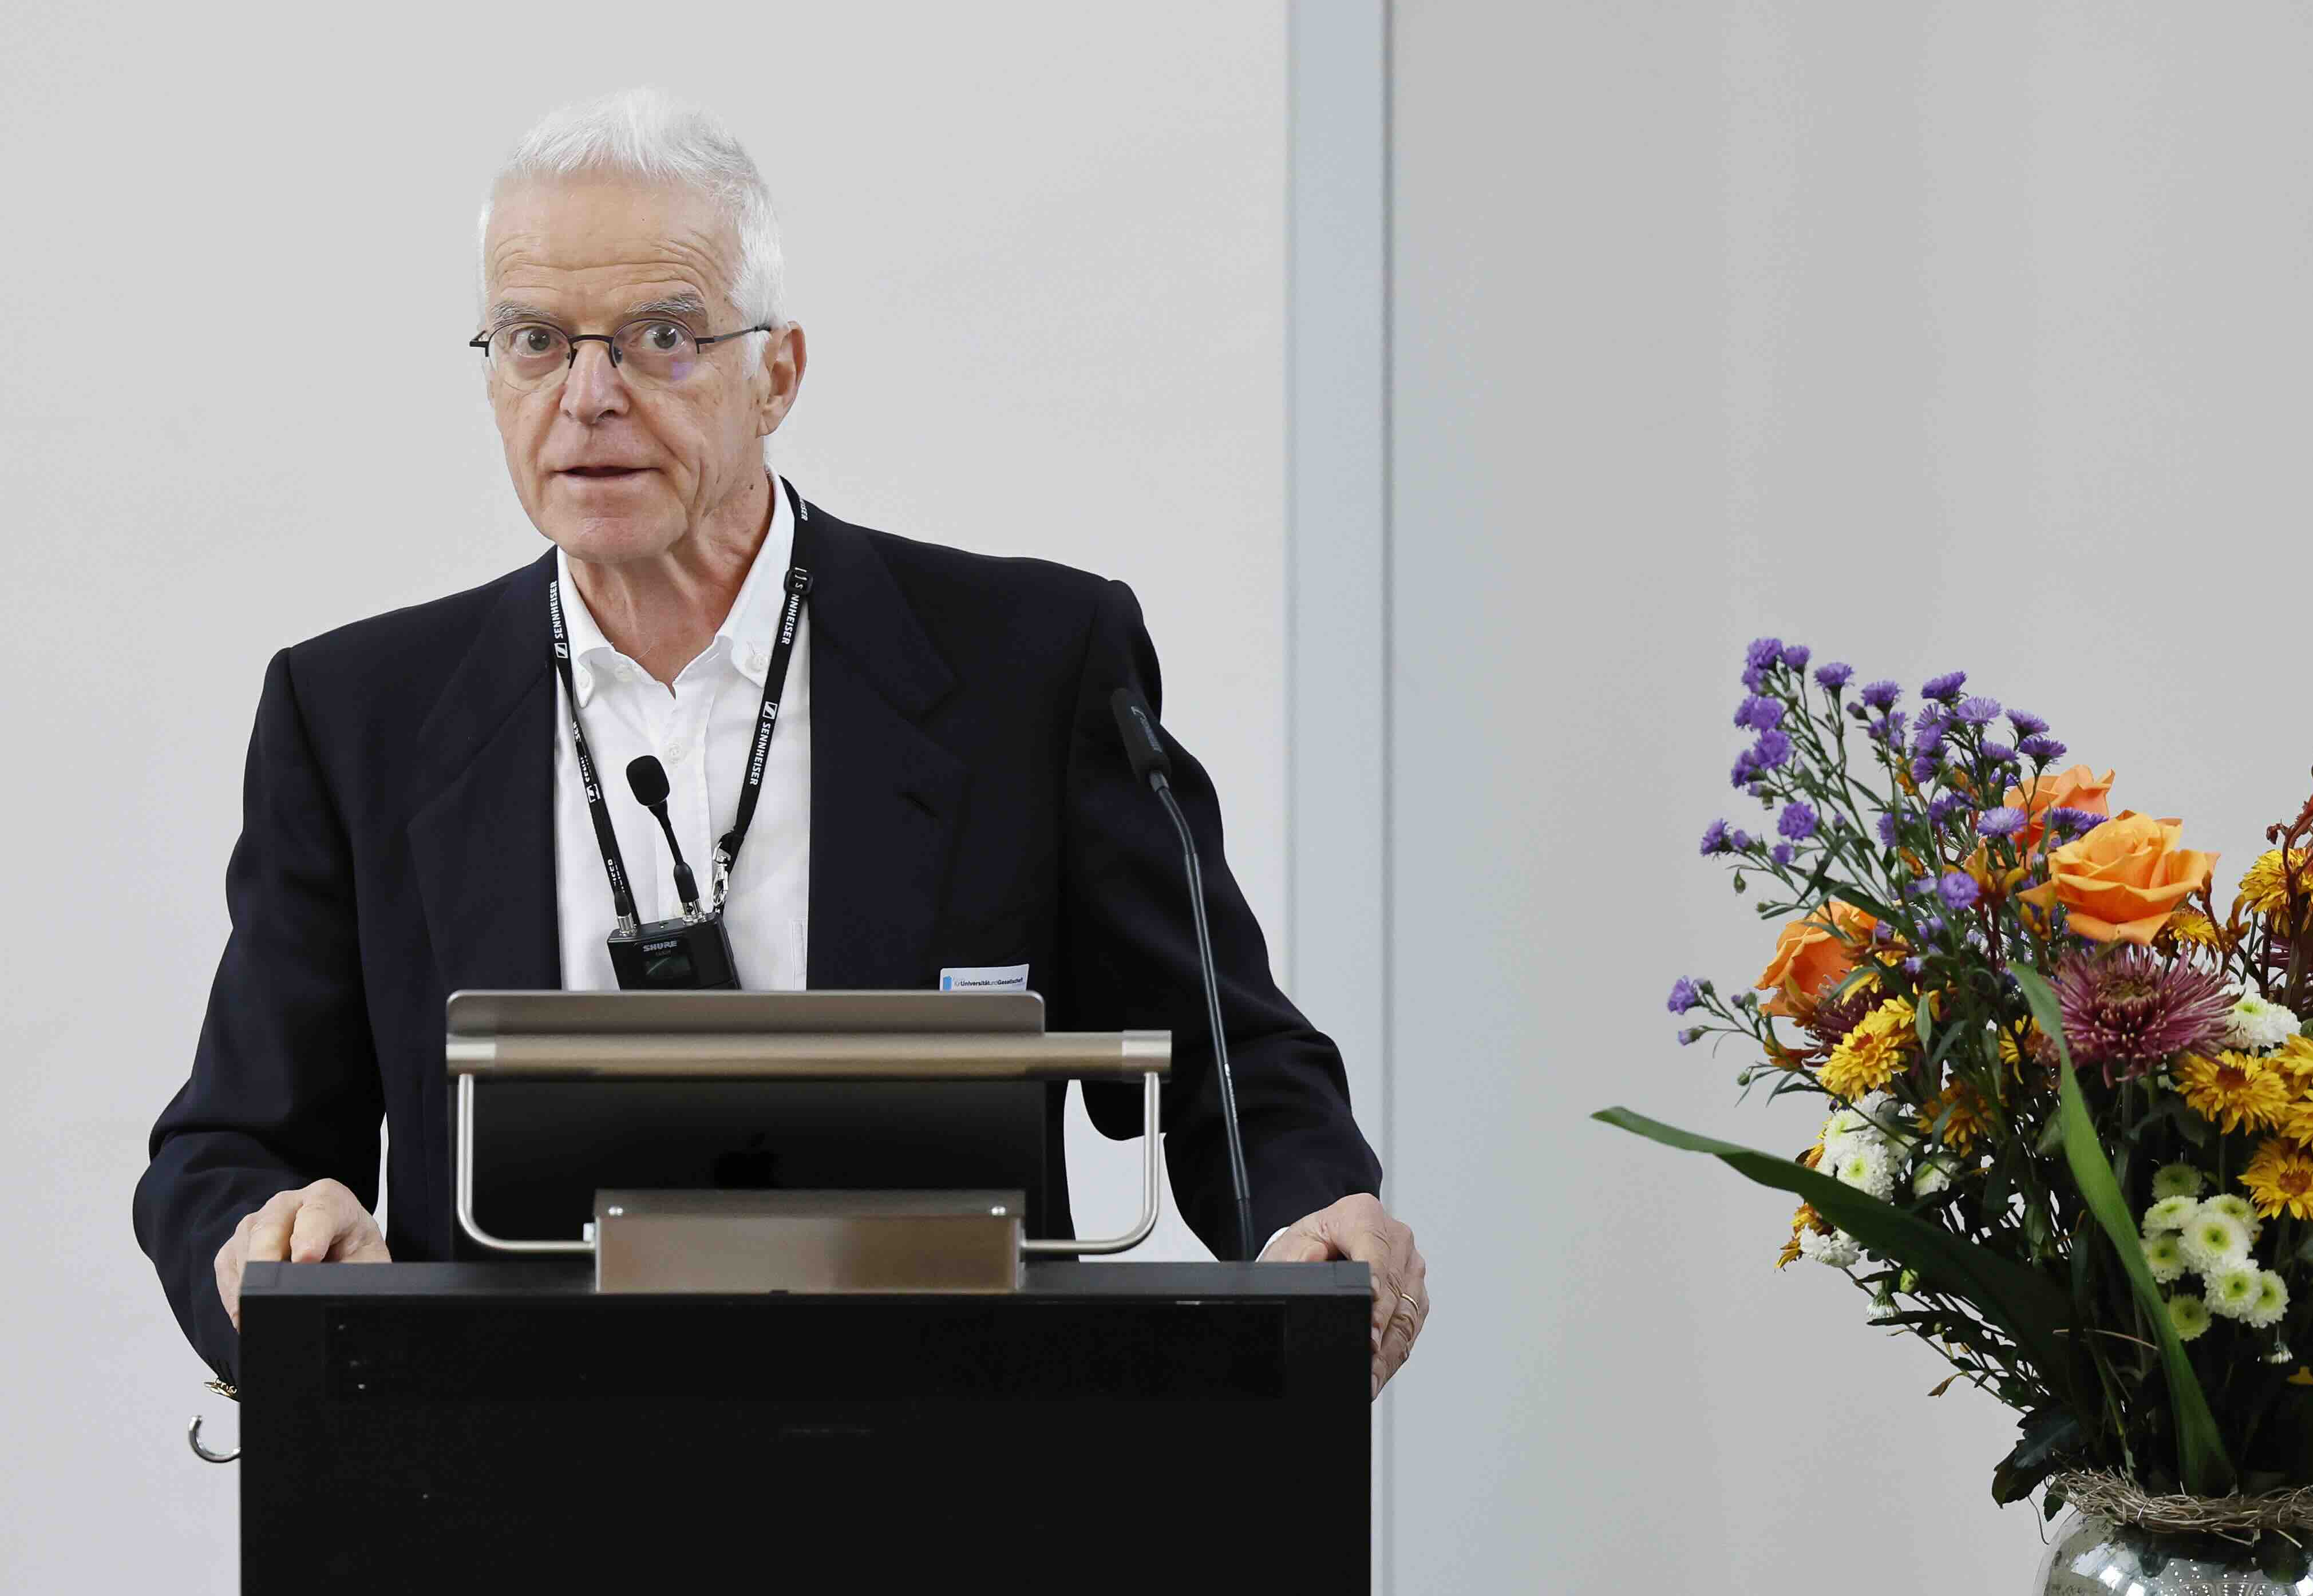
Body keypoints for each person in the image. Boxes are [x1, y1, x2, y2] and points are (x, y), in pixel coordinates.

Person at [133, 89, 1426, 1393]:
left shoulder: (1031, 666)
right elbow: (229, 1146)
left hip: (964, 1470)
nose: (588, 397)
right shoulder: (360, 715)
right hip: (500, 1481)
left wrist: (1313, 1213)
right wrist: (268, 1248)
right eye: (536, 340)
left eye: (662, 336)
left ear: (780, 373)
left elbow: (1227, 1049)